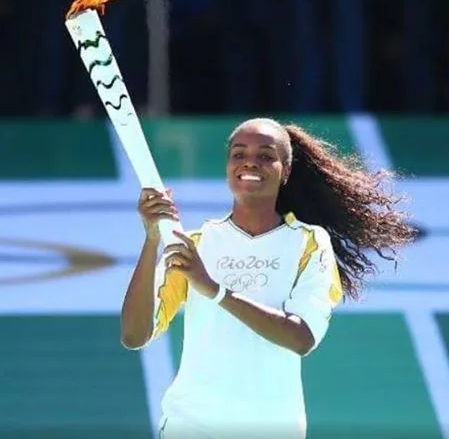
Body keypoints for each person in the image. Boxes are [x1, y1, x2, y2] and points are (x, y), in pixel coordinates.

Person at [120, 118, 414, 438]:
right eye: (239, 153)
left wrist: (214, 289)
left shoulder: (309, 243)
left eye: (265, 155)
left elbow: (301, 338)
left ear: (285, 170)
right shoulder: (196, 244)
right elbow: (134, 336)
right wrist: (151, 240)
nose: (250, 162)